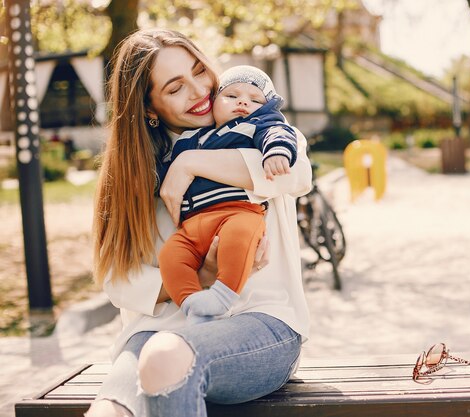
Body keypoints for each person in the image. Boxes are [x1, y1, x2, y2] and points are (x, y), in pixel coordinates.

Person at [87, 28, 312, 417]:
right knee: (110, 410)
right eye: (175, 88)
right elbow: (118, 280)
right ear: (149, 108)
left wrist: (189, 164)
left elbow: (293, 173)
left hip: (259, 324)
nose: (199, 91)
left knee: (165, 356)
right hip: (156, 330)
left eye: (199, 71)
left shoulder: (259, 129)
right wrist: (199, 277)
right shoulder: (135, 172)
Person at [157, 65, 298, 324]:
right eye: (231, 96)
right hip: (192, 225)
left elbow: (278, 133)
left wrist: (277, 151)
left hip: (238, 212)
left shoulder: (257, 125)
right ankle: (192, 304)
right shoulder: (190, 138)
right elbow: (164, 172)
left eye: (256, 100)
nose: (243, 101)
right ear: (213, 103)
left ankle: (222, 297)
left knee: (239, 237)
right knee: (171, 255)